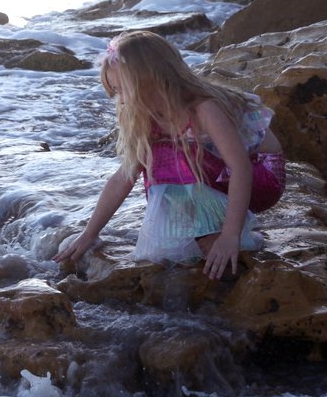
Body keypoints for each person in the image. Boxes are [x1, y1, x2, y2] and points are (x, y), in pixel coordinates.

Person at [53, 30, 285, 280]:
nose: (120, 101)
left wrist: (231, 235)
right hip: (218, 175)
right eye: (115, 91)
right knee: (147, 158)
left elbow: (241, 168)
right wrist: (90, 233)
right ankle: (202, 230)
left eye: (122, 90)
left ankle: (223, 229)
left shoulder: (203, 108)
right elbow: (124, 177)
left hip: (261, 175)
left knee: (168, 156)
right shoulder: (146, 114)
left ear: (151, 81)